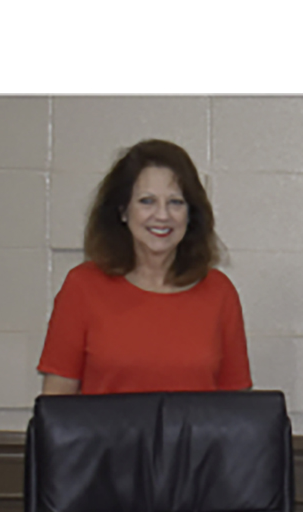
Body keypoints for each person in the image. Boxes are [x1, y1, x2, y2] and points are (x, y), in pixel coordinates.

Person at [38, 139, 251, 394]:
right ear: (123, 211)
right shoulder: (82, 287)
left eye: (175, 202)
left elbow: (235, 406)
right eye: (147, 201)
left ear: (190, 215)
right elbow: (57, 401)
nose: (162, 215)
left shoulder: (219, 292)